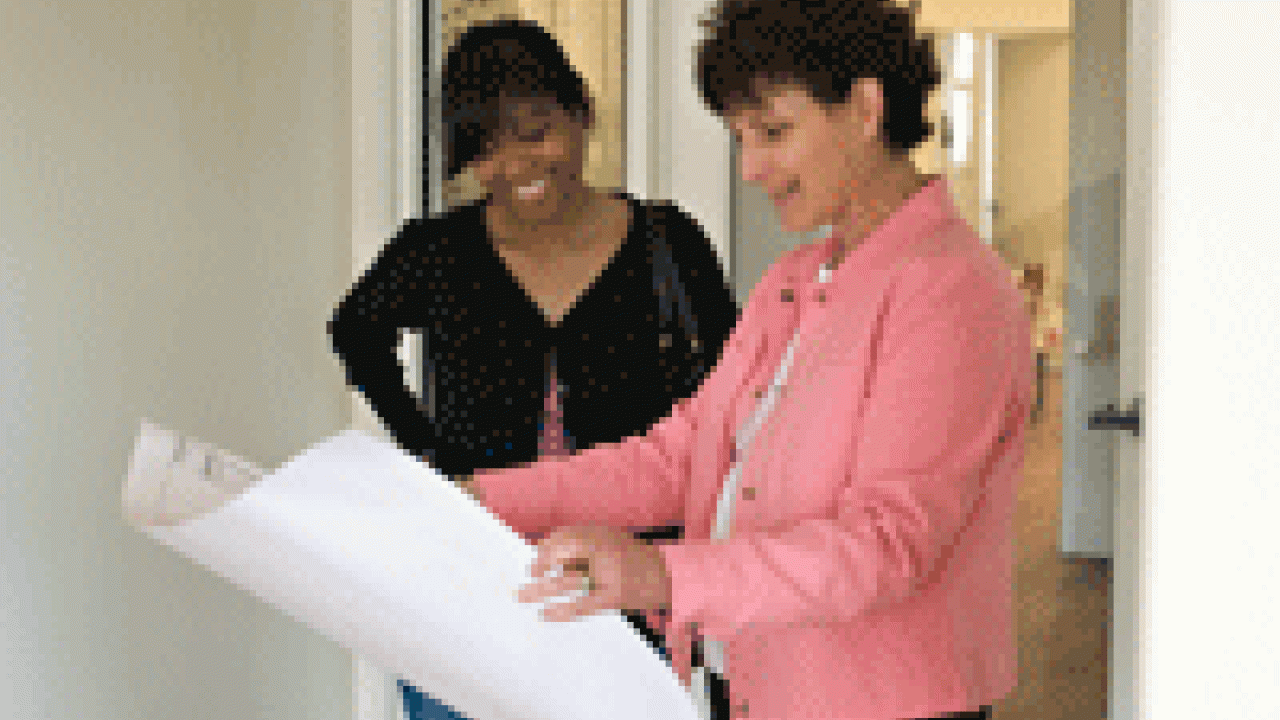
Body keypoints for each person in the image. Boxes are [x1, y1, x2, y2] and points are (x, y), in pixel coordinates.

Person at [464, 2, 1034, 719]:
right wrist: (487, 499)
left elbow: (885, 546)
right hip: (753, 686)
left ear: (864, 107)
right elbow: (680, 457)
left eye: (774, 131)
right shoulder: (792, 283)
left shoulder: (951, 290)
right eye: (739, 137)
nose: (751, 167)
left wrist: (659, 575)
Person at [326, 17, 739, 720]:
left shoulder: (667, 245)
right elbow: (355, 331)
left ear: (581, 114)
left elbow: (731, 401)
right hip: (470, 585)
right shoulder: (438, 252)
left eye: (537, 130)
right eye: (486, 147)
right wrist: (425, 454)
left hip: (627, 594)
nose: (518, 166)